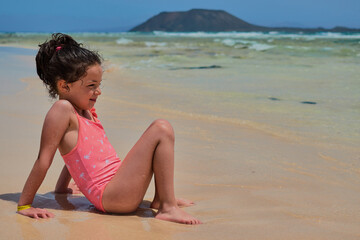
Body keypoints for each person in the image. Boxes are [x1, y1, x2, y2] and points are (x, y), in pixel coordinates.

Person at [16, 33, 201, 225]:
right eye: (91, 85)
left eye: (99, 85)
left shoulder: (87, 112)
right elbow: (44, 159)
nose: (98, 91)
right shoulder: (62, 110)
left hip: (117, 189)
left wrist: (62, 189)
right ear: (64, 86)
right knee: (162, 128)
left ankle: (162, 198)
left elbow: (77, 153)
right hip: (112, 197)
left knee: (160, 130)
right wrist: (25, 205)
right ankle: (167, 207)